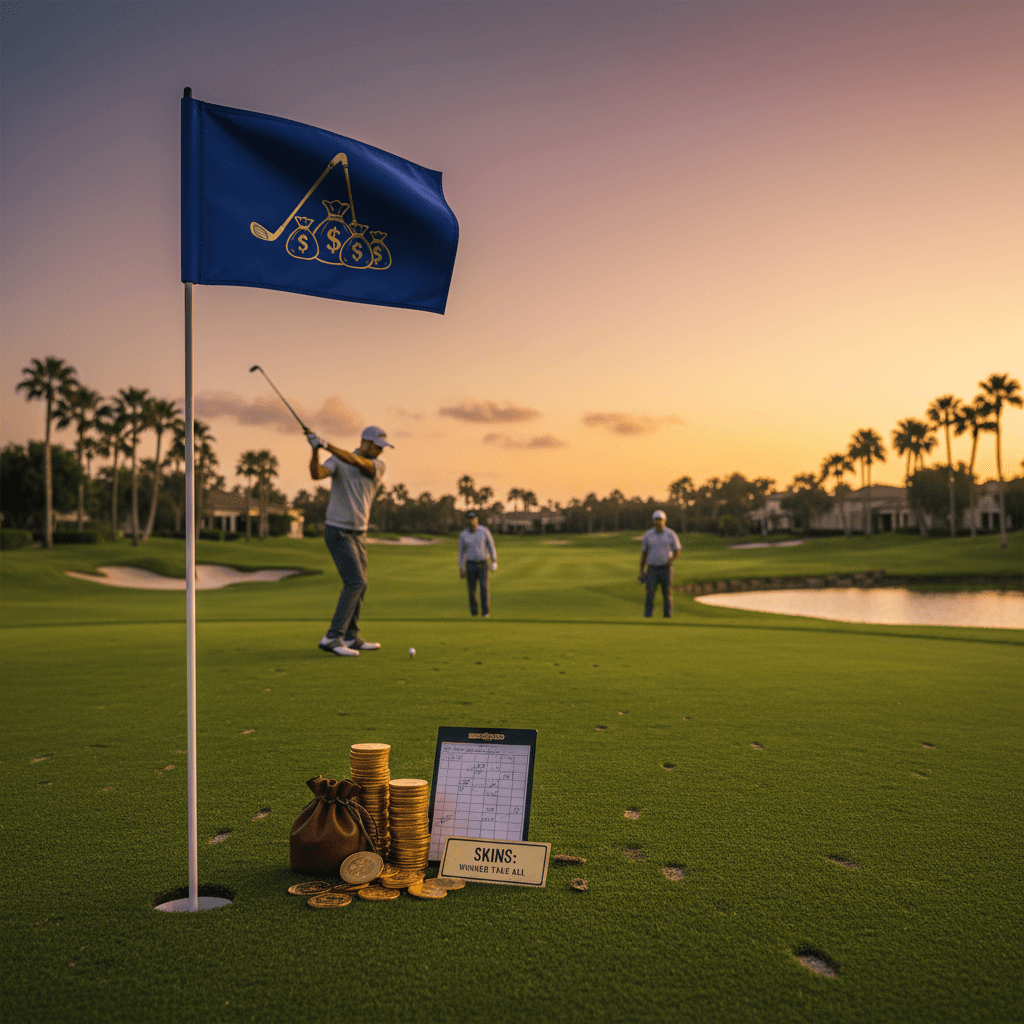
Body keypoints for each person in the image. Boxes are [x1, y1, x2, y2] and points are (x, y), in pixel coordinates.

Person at [307, 425, 392, 657]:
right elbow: (317, 475)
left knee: (361, 583)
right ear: (365, 442)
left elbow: (358, 463)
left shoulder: (377, 465)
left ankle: (350, 636)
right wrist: (316, 450)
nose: (381, 452)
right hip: (338, 530)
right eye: (378, 447)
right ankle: (332, 637)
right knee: (355, 581)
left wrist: (326, 445)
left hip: (359, 533)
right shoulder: (337, 460)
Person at [638, 510, 681, 618]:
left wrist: (670, 560)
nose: (658, 522)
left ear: (664, 520)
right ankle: (648, 617)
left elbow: (677, 550)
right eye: (656, 520)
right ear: (653, 521)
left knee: (667, 594)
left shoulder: (670, 534)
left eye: (660, 520)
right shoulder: (648, 535)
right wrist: (641, 571)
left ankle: (667, 616)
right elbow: (644, 553)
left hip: (666, 568)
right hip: (652, 568)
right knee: (650, 595)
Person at [458, 510, 497, 617]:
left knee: (484, 588)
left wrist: (494, 560)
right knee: (471, 590)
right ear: (466, 521)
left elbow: (491, 546)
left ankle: (485, 612)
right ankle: (474, 613)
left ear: (477, 520)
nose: (471, 522)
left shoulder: (484, 531)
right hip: (470, 564)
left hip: (483, 563)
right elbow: (461, 553)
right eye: (469, 520)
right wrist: (461, 568)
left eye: (473, 519)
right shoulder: (463, 535)